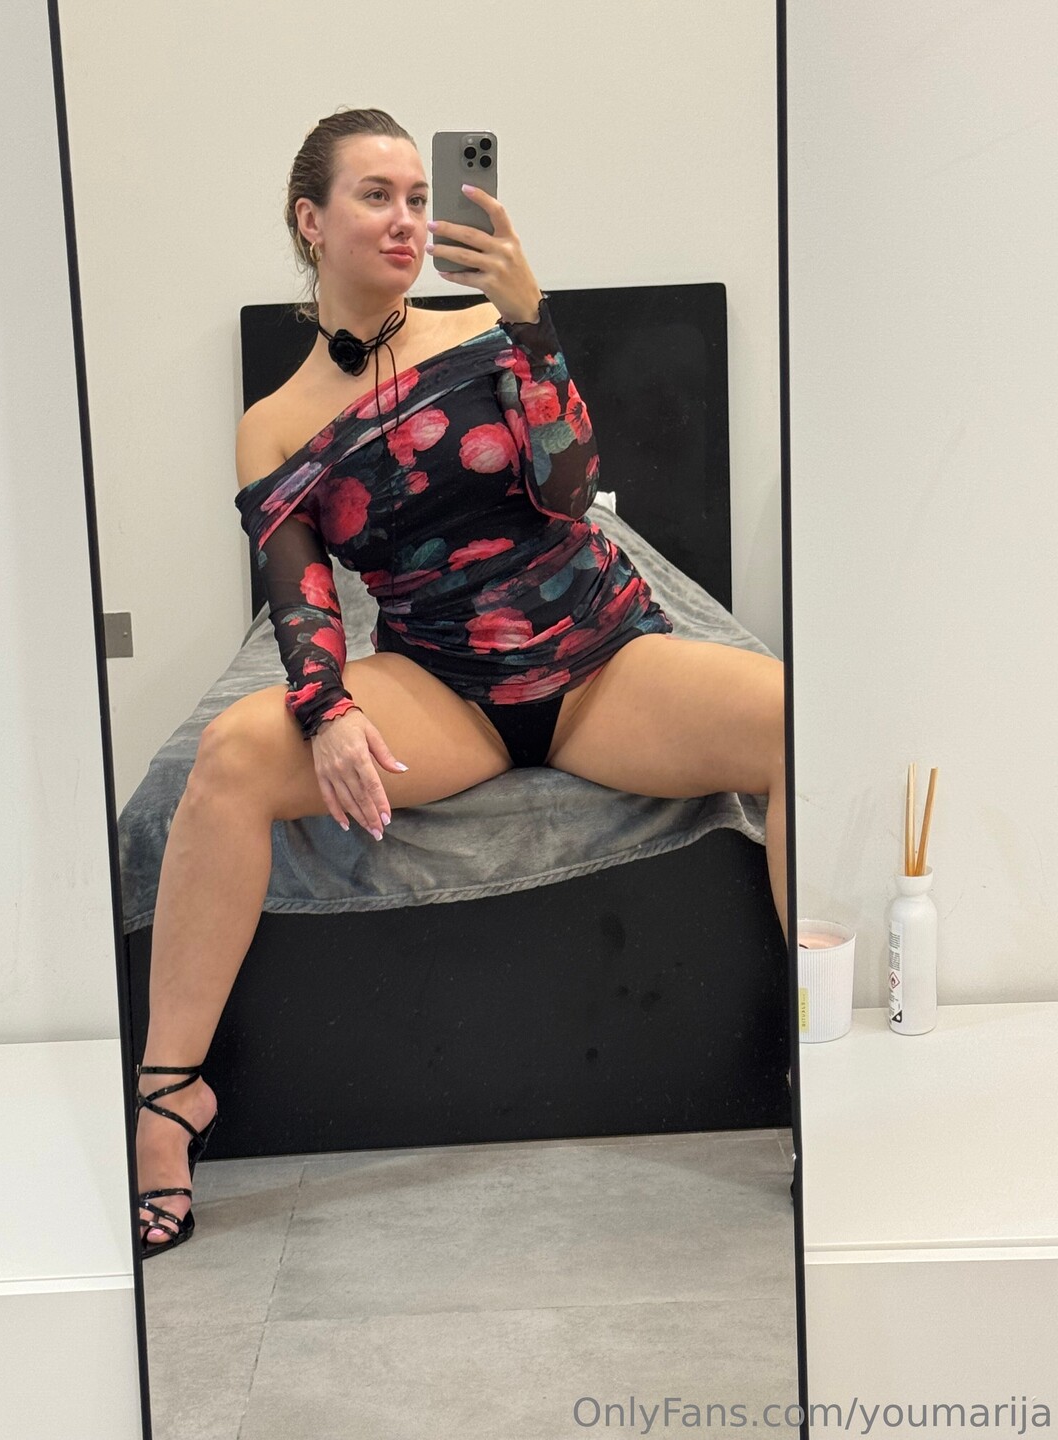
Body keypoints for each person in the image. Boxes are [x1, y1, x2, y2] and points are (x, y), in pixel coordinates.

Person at [135, 107, 786, 1257]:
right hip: (442, 689)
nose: (406, 218)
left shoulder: (487, 327)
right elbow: (301, 599)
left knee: (801, 720)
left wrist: (534, 323)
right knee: (229, 756)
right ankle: (168, 1096)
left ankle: (815, 1064)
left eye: (417, 197)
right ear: (310, 220)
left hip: (600, 663)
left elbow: (572, 492)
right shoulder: (272, 426)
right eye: (375, 195)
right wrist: (326, 711)